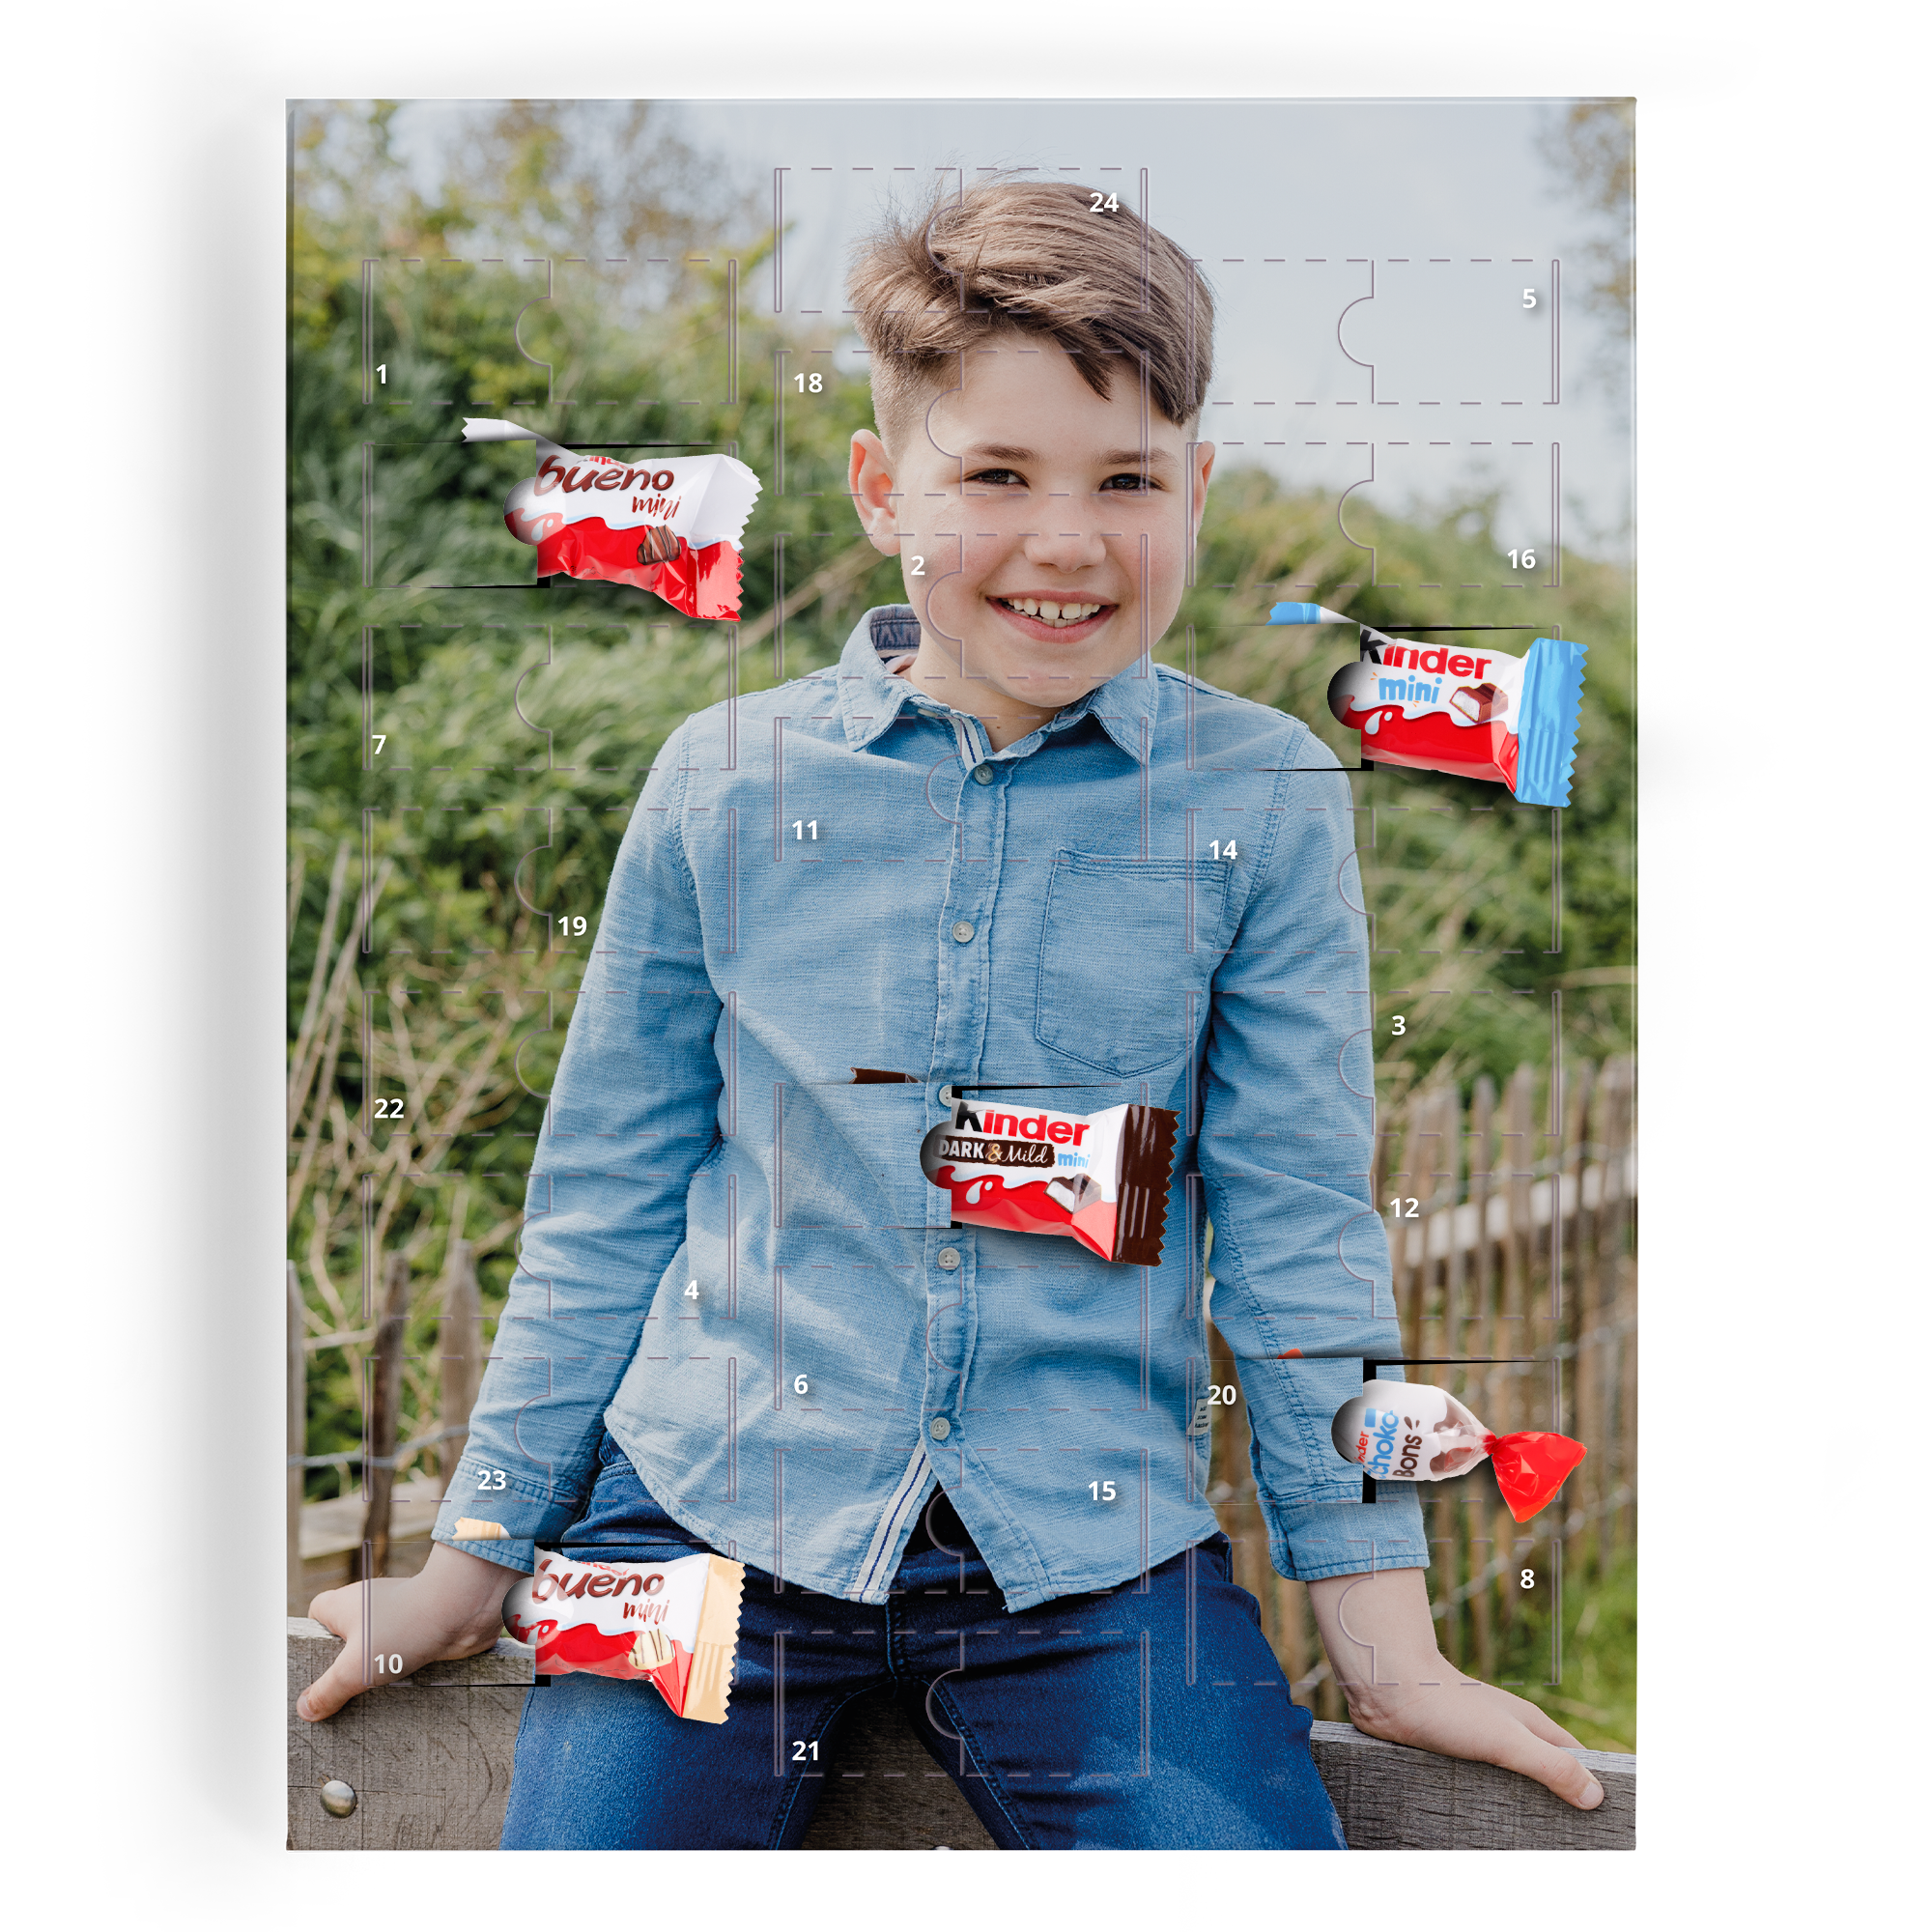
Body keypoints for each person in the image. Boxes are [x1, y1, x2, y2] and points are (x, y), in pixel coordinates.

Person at [298, 174, 1604, 1848]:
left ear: (1196, 491)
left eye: (1126, 479)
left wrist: (1387, 1641)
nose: (1066, 539)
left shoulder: (1262, 796)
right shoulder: (725, 784)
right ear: (876, 489)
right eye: (996, 475)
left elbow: (1296, 1223)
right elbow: (608, 1195)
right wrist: (469, 1567)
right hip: (699, 1521)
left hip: (1092, 1546)